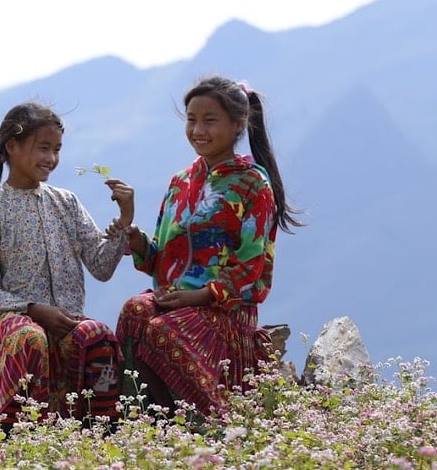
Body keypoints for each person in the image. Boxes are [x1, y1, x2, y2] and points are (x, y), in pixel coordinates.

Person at [116, 76, 302, 419]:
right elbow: (160, 258)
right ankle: (144, 421)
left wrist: (199, 296)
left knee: (161, 331)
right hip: (176, 301)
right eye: (191, 119)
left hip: (225, 312)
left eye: (209, 120)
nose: (197, 129)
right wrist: (137, 241)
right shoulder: (181, 181)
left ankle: (210, 423)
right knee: (134, 310)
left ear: (238, 124)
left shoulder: (252, 184)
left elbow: (251, 269)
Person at [0, 102, 135, 439]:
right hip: (11, 325)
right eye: (43, 148)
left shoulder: (66, 202)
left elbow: (101, 266)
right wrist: (34, 310)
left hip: (65, 321)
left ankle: (100, 434)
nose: (51, 158)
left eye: (57, 149)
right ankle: (10, 438)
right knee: (30, 337)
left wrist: (124, 220)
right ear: (12, 147)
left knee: (100, 337)